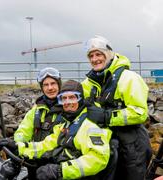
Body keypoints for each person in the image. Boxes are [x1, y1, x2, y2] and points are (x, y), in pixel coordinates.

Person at [81, 35, 152, 180]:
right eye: (91, 56)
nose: (95, 59)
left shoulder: (129, 78)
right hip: (106, 144)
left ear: (108, 54)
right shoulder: (89, 83)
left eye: (98, 54)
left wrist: (107, 116)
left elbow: (140, 113)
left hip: (132, 145)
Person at [14, 80, 113, 180]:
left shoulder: (90, 125)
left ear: (80, 99)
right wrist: (19, 148)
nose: (68, 102)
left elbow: (98, 159)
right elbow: (46, 144)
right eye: (64, 98)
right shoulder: (65, 124)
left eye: (72, 97)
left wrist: (60, 171)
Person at [0, 67, 62, 179]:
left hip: (57, 167)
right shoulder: (36, 110)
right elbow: (23, 131)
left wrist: (22, 148)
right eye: (46, 85)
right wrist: (16, 144)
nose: (50, 88)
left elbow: (55, 142)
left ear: (59, 85)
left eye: (53, 83)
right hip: (35, 161)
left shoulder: (68, 109)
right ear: (42, 88)